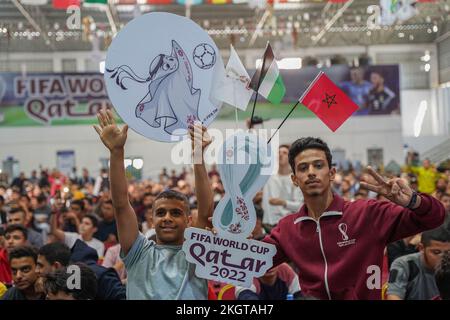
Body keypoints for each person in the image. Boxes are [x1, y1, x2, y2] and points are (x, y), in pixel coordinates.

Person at [198, 137, 445, 300]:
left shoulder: (367, 213)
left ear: (332, 173)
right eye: (303, 168)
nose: (312, 172)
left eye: (319, 165)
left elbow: (435, 218)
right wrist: (221, 241)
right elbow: (248, 260)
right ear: (294, 179)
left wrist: (413, 200)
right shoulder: (287, 229)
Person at [93, 109, 214, 299]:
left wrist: (198, 156)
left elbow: (206, 211)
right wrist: (116, 152)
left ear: (189, 220)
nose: (167, 218)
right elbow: (121, 204)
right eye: (161, 213)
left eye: (175, 213)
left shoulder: (197, 252)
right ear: (151, 218)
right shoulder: (138, 251)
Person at [387, 226, 450, 300]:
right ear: (421, 248)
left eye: (447, 252)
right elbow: (393, 297)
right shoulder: (404, 264)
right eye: (436, 252)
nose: (442, 257)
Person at [262, 145, 303, 231]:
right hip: (267, 225)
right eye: (278, 153)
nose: (280, 155)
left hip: (287, 226)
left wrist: (283, 202)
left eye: (284, 153)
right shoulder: (267, 177)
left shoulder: (295, 179)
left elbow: (300, 206)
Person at [235, 263, 301, 300]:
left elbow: (301, 295)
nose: (269, 266)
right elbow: (246, 296)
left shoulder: (285, 270)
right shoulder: (247, 273)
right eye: (262, 261)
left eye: (273, 258)